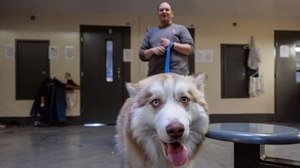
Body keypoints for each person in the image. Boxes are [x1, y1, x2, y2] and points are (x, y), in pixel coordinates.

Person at [139, 1, 195, 76]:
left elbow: (190, 50)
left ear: (172, 14)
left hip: (179, 74)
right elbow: (142, 55)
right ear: (158, 14)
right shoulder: (150, 32)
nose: (164, 11)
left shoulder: (181, 29)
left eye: (167, 9)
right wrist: (152, 50)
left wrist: (172, 45)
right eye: (161, 10)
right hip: (155, 75)